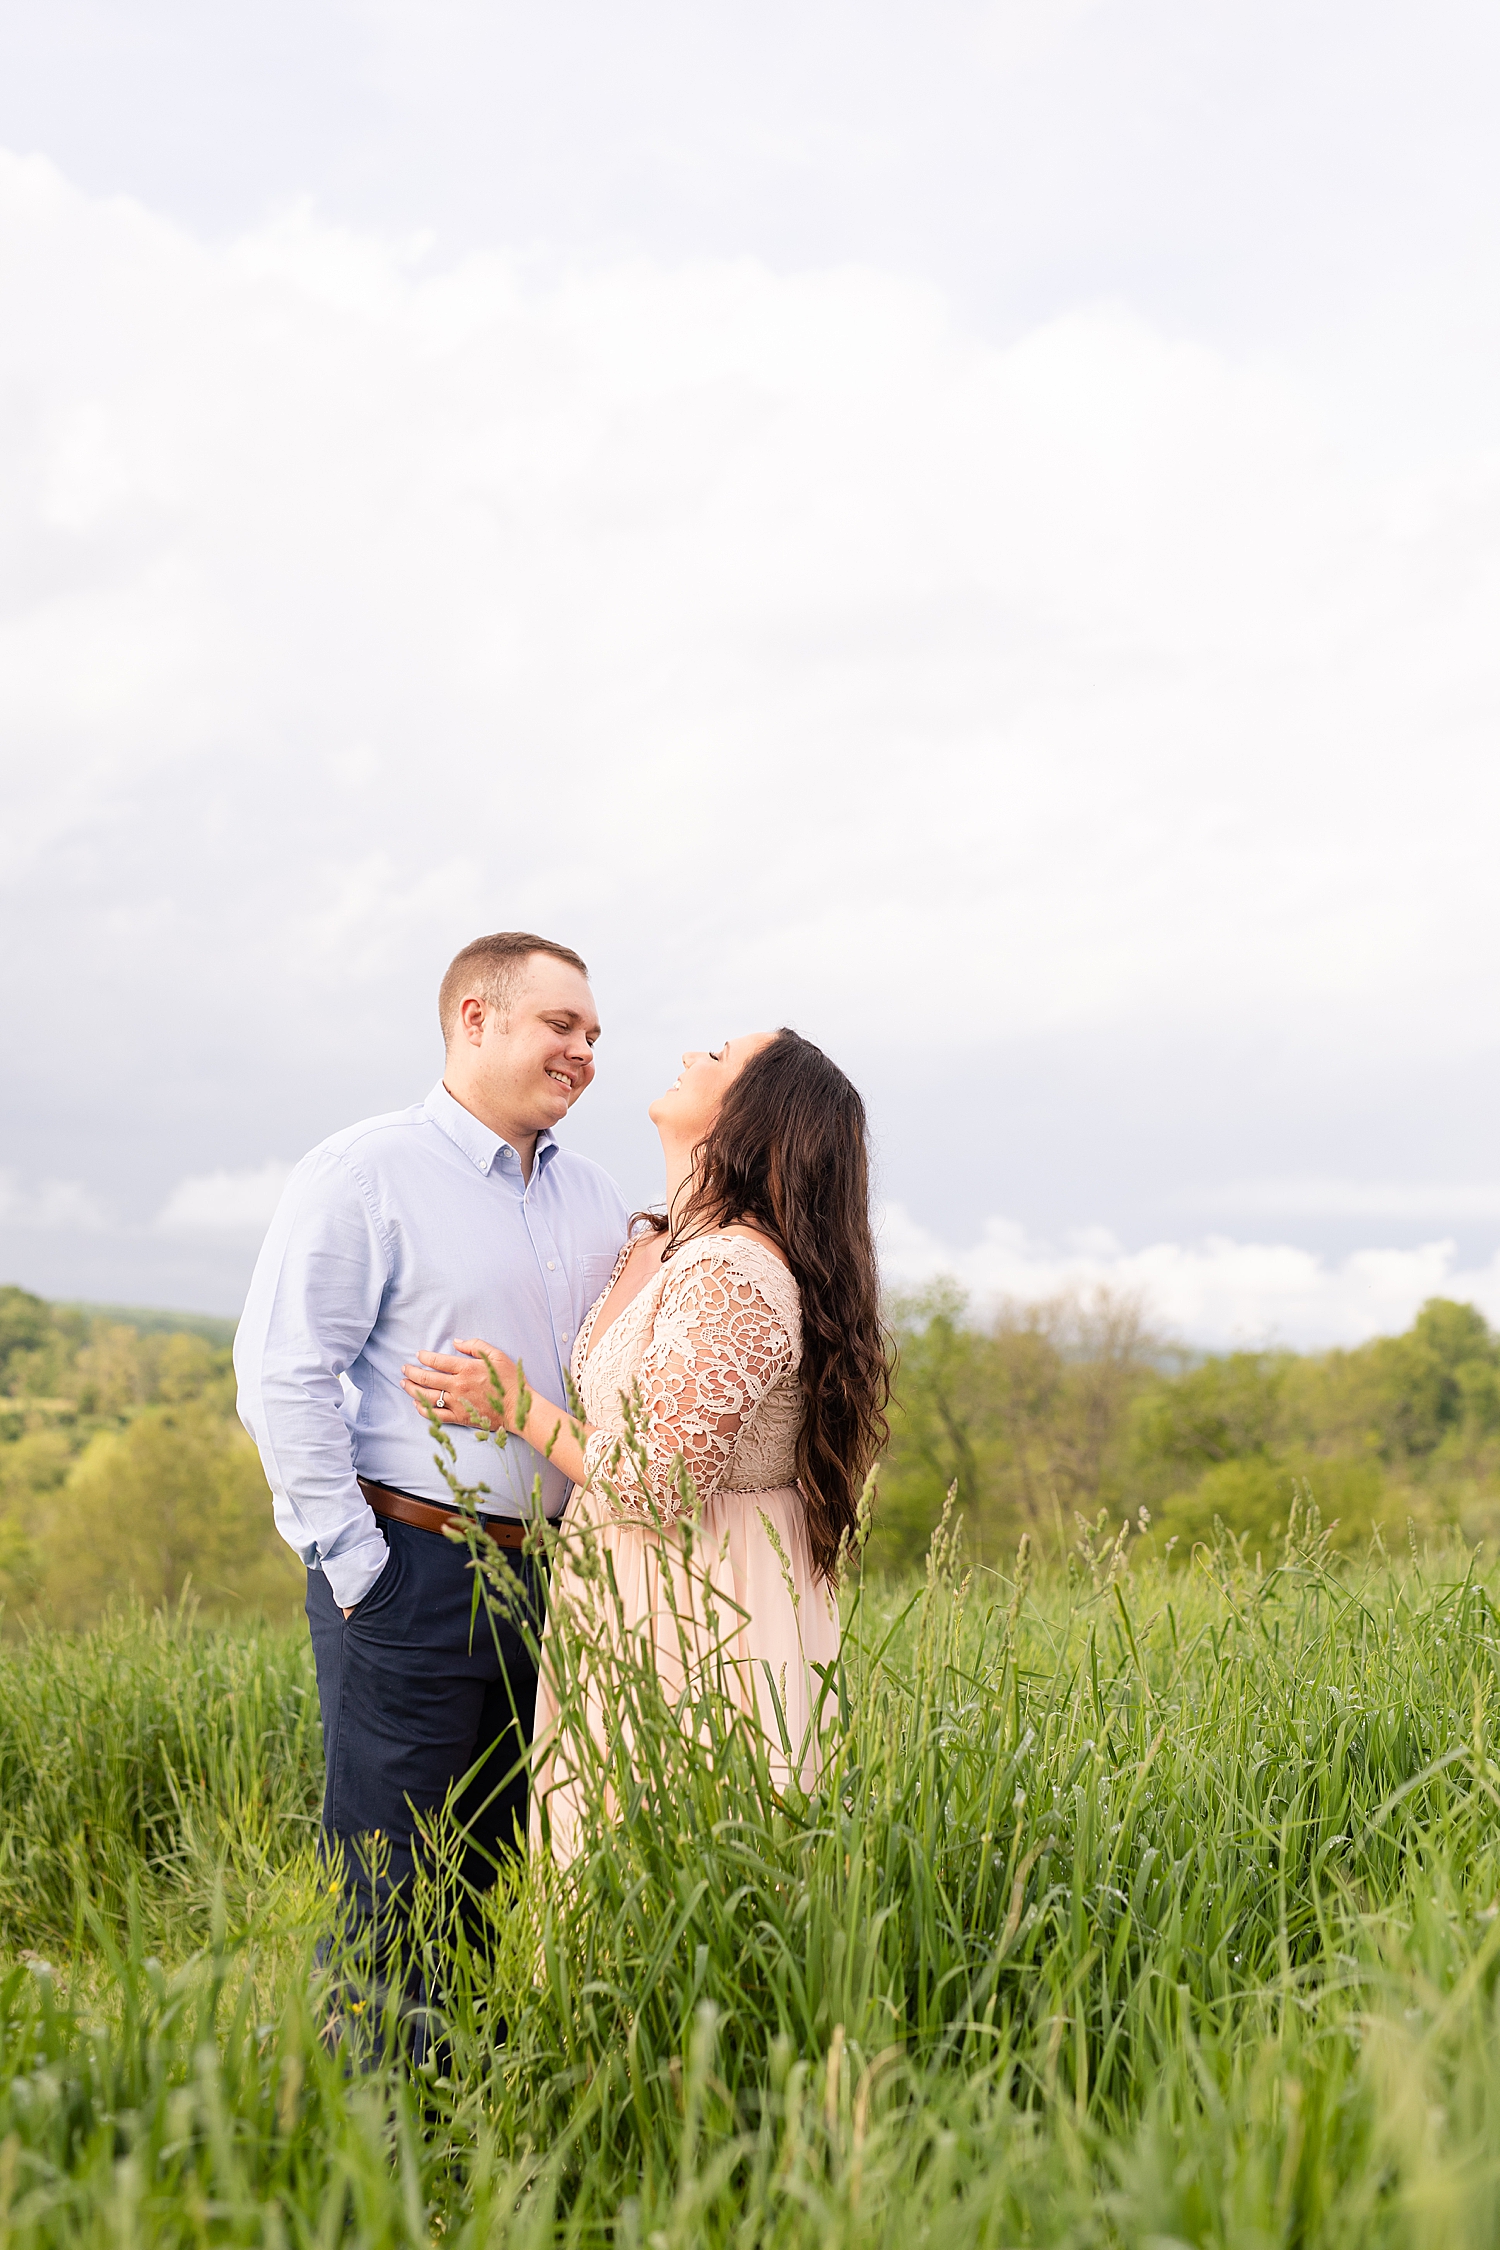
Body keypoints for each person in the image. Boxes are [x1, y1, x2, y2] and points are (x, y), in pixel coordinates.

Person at [234, 932, 628, 2036]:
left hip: (558, 1582)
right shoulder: (365, 1170)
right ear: (475, 1018)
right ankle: (378, 2163)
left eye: (594, 1034)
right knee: (390, 1889)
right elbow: (283, 1376)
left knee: (501, 1873)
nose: (584, 1051)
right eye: (562, 1025)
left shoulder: (596, 1196)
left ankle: (468, 2133)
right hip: (411, 1570)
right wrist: (359, 1569)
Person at [401, 1026, 890, 1866]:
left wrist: (516, 1405)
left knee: (683, 1853)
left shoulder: (735, 1270)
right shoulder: (659, 1245)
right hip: (622, 1583)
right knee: (607, 1844)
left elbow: (659, 1480)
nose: (696, 1053)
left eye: (722, 1056)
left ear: (755, 1115)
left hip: (704, 1590)